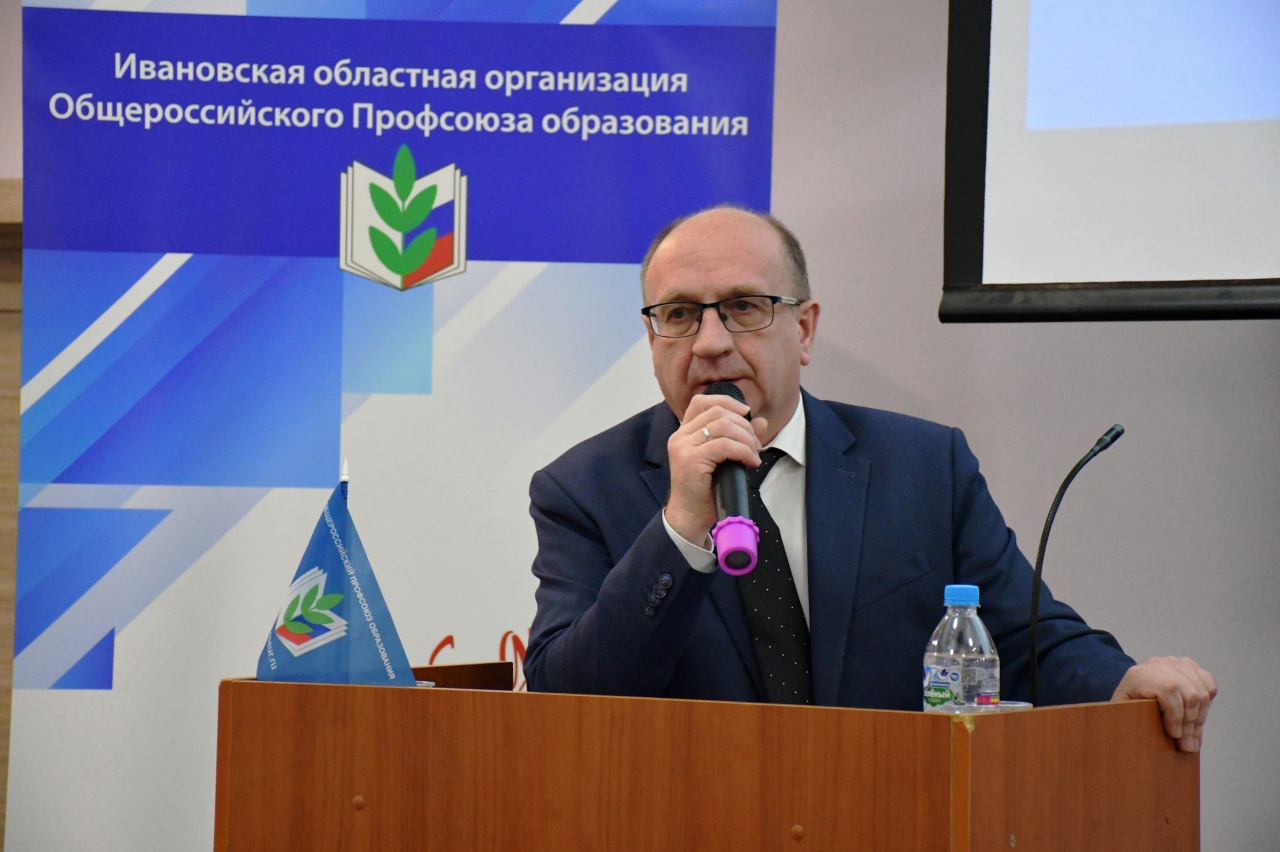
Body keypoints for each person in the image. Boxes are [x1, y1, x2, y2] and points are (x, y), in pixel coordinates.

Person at [523, 206, 1216, 752]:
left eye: (744, 306)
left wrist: (1122, 680)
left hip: (890, 811)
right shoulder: (582, 489)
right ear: (653, 341)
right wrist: (680, 528)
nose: (710, 342)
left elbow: (1027, 638)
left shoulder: (923, 466)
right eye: (678, 315)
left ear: (804, 330)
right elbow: (563, 697)